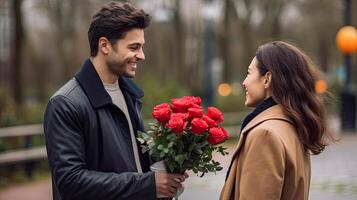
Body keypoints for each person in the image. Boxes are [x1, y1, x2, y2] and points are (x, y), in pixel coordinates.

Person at [44, 2, 186, 200]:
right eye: (134, 47)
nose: (142, 56)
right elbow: (70, 181)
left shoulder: (130, 95)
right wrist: (149, 184)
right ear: (105, 45)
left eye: (142, 47)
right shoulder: (64, 104)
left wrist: (175, 157)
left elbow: (131, 159)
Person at [220, 41, 334, 200]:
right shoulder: (292, 126)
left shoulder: (265, 134)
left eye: (249, 73)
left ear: (267, 79)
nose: (244, 82)